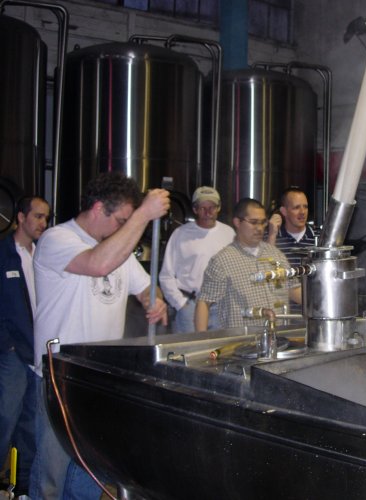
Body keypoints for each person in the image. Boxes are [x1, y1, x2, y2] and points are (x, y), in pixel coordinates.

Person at [30, 172, 169, 500]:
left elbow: (144, 285)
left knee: (91, 469)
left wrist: (155, 298)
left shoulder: (115, 247)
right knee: (52, 468)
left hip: (98, 377)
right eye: (121, 219)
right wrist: (143, 215)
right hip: (59, 375)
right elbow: (98, 264)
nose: (125, 227)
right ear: (97, 209)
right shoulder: (57, 239)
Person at [0, 196, 49, 495]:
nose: (43, 223)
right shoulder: (4, 254)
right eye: (38, 217)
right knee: (5, 418)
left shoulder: (43, 255)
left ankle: (22, 486)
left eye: (46, 218)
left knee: (31, 425)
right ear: (20, 217)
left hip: (38, 354)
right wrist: (7, 345)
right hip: (13, 354)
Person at [195, 198, 302, 330]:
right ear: (237, 222)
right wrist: (204, 341)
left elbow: (293, 289)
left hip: (278, 337)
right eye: (253, 222)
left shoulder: (276, 255)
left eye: (263, 223)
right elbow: (204, 302)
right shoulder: (223, 260)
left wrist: (323, 303)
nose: (259, 228)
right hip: (242, 343)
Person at [160, 186, 235, 332]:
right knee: (189, 353)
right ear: (194, 209)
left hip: (221, 307)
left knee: (219, 352)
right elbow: (166, 275)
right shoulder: (180, 234)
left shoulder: (229, 233)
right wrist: (181, 304)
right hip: (191, 306)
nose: (208, 212)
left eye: (212, 207)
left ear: (218, 208)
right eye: (202, 207)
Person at [266, 188, 318, 313]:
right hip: (281, 315)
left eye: (305, 207)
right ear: (283, 211)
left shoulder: (319, 238)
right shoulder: (272, 237)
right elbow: (264, 268)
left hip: (314, 313)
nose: (302, 212)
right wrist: (272, 234)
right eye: (296, 208)